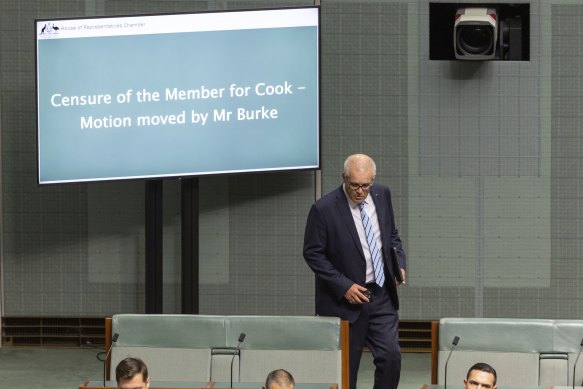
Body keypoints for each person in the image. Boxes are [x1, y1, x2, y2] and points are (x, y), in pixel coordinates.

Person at [303, 153, 407, 389]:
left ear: (373, 181)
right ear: (344, 178)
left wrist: (398, 262)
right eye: (354, 185)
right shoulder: (324, 209)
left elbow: (392, 235)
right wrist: (343, 286)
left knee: (391, 357)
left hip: (381, 295)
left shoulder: (382, 195)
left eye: (365, 185)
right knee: (347, 370)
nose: (360, 191)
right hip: (346, 301)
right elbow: (312, 254)